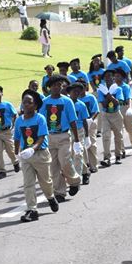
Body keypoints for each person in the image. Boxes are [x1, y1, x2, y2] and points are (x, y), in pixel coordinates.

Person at [14, 89, 59, 221]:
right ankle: (32, 210)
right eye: (24, 102)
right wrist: (16, 154)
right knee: (28, 183)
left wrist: (32, 149)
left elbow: (41, 137)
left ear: (35, 105)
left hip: (40, 154)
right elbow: (17, 137)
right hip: (26, 156)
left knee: (45, 182)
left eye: (29, 102)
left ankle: (50, 197)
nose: (26, 104)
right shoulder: (18, 121)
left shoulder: (40, 118)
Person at [40, 73, 82, 202]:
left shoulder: (67, 101)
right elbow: (40, 121)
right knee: (53, 166)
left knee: (65, 161)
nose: (57, 87)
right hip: (50, 137)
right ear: (49, 87)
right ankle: (59, 192)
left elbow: (73, 121)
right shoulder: (44, 102)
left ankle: (74, 181)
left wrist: (77, 140)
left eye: (60, 85)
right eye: (54, 85)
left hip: (64, 136)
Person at [97, 68, 125, 167]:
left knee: (118, 135)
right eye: (106, 76)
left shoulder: (118, 89)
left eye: (110, 76)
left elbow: (118, 102)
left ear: (113, 77)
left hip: (116, 114)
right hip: (106, 114)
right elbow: (104, 104)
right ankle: (107, 157)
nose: (108, 78)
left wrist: (108, 94)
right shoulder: (101, 90)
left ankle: (118, 155)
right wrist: (109, 95)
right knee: (106, 136)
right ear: (104, 78)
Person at [66, 82, 92, 184]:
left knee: (78, 153)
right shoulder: (66, 103)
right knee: (70, 155)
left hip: (79, 130)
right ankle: (81, 172)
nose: (76, 93)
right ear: (70, 92)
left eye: (78, 91)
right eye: (74, 91)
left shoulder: (81, 105)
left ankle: (80, 175)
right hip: (68, 131)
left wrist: (87, 135)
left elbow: (85, 120)